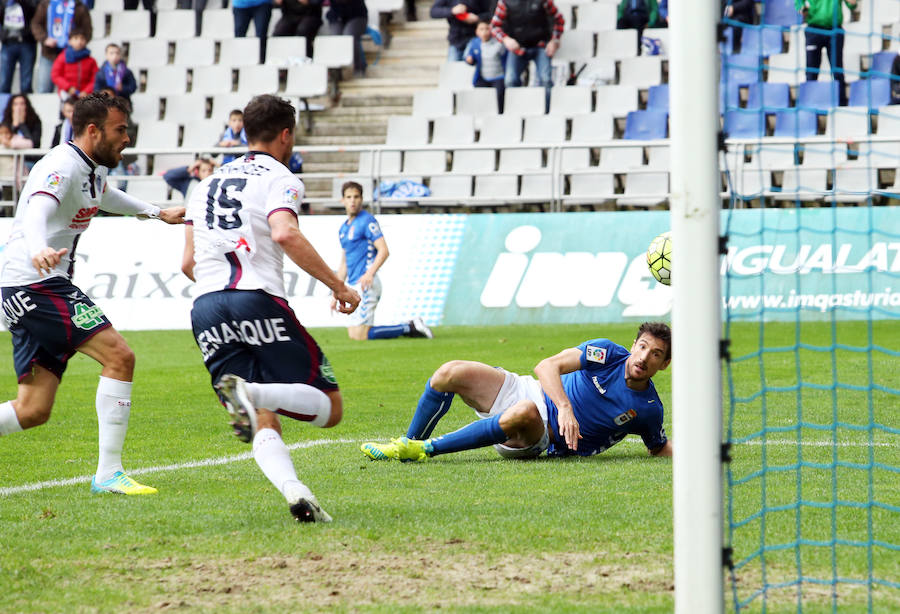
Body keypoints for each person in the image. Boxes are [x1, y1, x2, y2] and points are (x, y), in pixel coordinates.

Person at [181, 94, 361, 523]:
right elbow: (284, 232)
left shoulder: (204, 185)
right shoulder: (282, 177)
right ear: (286, 134)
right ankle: (250, 392)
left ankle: (297, 493)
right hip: (256, 297)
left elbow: (187, 263)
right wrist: (339, 286)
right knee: (329, 407)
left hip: (206, 306)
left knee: (263, 416)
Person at [0, 93, 185, 495]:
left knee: (32, 410)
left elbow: (106, 196)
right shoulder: (61, 167)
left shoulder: (91, 168)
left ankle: (107, 474)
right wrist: (37, 248)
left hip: (29, 284)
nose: (128, 138)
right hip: (36, 283)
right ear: (92, 130)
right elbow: (35, 210)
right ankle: (109, 474)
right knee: (120, 356)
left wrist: (156, 212)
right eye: (121, 130)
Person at [361, 322, 673, 462]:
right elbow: (546, 366)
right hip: (529, 389)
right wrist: (564, 406)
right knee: (448, 373)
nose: (644, 357)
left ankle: (425, 450)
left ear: (664, 364)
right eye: (642, 347)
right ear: (633, 346)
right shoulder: (605, 352)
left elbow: (658, 447)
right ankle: (408, 443)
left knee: (525, 412)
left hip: (541, 436)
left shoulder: (647, 407)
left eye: (656, 354)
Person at [332, 180, 433, 341]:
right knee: (354, 334)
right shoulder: (343, 228)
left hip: (366, 284)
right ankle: (410, 326)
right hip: (353, 284)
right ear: (342, 200)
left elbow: (384, 250)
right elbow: (344, 263)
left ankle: (411, 326)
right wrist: (336, 290)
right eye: (349, 197)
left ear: (362, 199)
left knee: (360, 334)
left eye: (356, 197)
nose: (352, 201)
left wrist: (369, 273)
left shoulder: (367, 221)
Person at [490, 0, 564, 109]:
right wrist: (506, 40)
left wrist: (555, 41)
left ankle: (548, 113)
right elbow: (494, 26)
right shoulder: (505, 2)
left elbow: (559, 20)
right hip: (518, 47)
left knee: (546, 79)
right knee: (510, 80)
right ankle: (516, 111)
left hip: (541, 45)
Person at [796, 0, 857, 107]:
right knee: (811, 72)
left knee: (837, 71)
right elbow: (799, 4)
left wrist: (852, 3)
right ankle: (809, 106)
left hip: (835, 30)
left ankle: (841, 106)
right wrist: (801, 8)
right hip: (814, 29)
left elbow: (852, 5)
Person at [30, 0, 92, 94]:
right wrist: (45, 38)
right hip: (49, 53)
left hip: (72, 56)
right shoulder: (46, 4)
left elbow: (87, 30)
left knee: (71, 93)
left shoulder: (79, 6)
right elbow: (36, 23)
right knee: (44, 89)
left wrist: (76, 41)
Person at [464, 19, 506, 112]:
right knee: (481, 96)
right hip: (483, 77)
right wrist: (469, 59)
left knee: (499, 97)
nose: (484, 32)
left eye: (487, 29)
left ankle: (499, 114)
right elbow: (468, 56)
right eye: (481, 29)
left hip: (498, 76)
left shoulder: (498, 43)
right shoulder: (474, 43)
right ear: (477, 31)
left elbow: (505, 57)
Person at [0, 0, 38, 94]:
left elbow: (33, 12)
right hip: (8, 43)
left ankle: (26, 107)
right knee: (4, 83)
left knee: (26, 85)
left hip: (27, 42)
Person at [50, 29, 96, 100]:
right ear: (69, 41)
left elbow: (95, 79)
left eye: (82, 38)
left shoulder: (91, 61)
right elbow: (55, 75)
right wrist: (68, 88)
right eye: (76, 38)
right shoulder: (62, 57)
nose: (79, 41)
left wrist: (86, 91)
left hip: (85, 96)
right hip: (67, 93)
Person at [325, 0, 367, 77]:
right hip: (336, 16)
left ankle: (359, 68)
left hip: (357, 15)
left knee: (349, 36)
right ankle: (336, 72)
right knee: (335, 37)